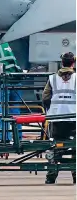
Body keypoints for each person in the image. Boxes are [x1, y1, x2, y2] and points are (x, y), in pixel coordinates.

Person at [42, 52, 76, 184]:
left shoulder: (52, 79)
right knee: (75, 147)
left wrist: (51, 111)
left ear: (62, 63)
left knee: (55, 146)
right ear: (73, 63)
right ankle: (75, 174)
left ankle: (51, 176)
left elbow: (45, 98)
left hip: (56, 118)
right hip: (74, 119)